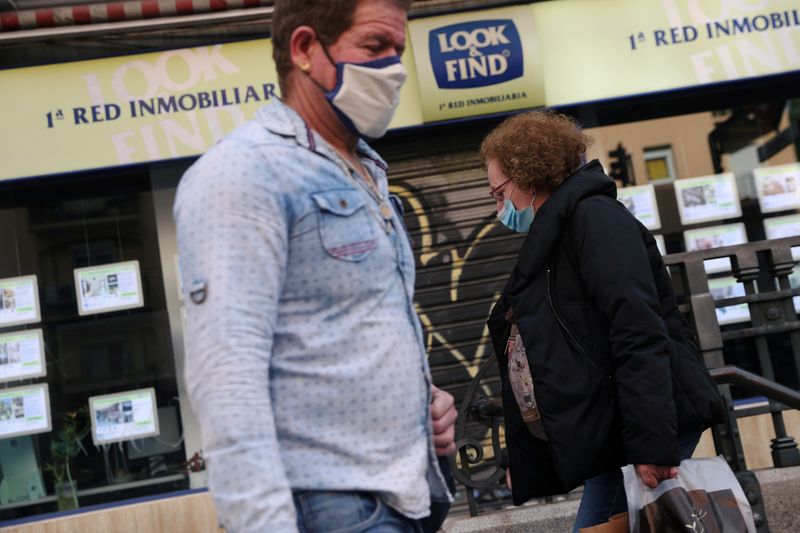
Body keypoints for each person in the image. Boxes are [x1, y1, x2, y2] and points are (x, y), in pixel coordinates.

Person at [174, 1, 456, 531]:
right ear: (304, 49)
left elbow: (343, 332)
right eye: (375, 47)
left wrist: (421, 403)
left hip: (405, 497)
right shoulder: (244, 172)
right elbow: (227, 376)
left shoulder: (365, 167)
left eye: (399, 50)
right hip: (331, 508)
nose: (394, 68)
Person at [480, 111, 725, 531]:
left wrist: (651, 444)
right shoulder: (557, 234)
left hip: (636, 428)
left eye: (499, 193)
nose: (498, 208)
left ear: (528, 175)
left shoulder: (595, 221)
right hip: (615, 426)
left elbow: (639, 334)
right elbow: (560, 351)